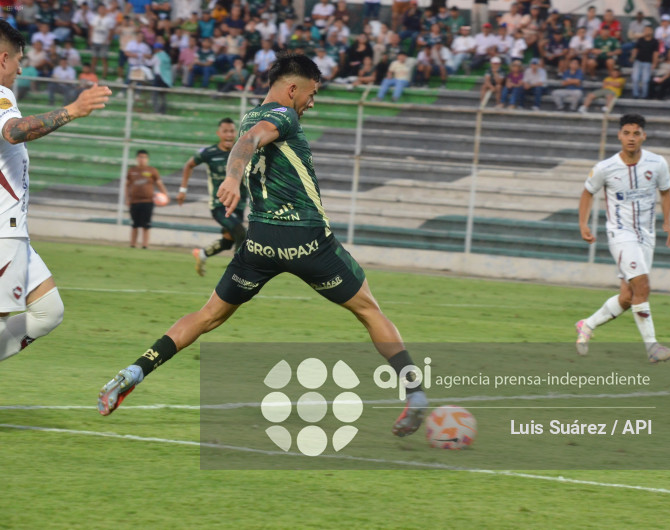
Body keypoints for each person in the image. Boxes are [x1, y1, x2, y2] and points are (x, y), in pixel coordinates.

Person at [98, 54, 429, 439]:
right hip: (306, 239)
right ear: (292, 89)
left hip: (260, 242)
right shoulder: (284, 116)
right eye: (311, 93)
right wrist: (234, 179)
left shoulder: (249, 116)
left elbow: (246, 138)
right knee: (369, 310)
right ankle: (416, 394)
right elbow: (250, 144)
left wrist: (236, 176)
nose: (312, 102)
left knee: (208, 315)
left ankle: (135, 371)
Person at [0, 20, 110, 364]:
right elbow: (14, 132)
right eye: (19, 60)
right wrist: (73, 110)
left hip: (15, 231)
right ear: (3, 59)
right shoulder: (1, 94)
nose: (21, 68)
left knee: (48, 310)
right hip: (4, 232)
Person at [576, 113, 670, 364]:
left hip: (646, 235)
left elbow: (665, 192)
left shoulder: (657, 163)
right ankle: (653, 347)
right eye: (626, 133)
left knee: (628, 296)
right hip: (620, 234)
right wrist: (583, 223)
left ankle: (586, 325)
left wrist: (668, 222)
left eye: (636, 133)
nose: (631, 138)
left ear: (643, 135)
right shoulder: (605, 168)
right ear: (619, 135)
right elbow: (587, 193)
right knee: (643, 286)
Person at [177, 118, 247, 277]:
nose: (229, 135)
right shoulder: (209, 153)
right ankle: (237, 274)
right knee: (240, 232)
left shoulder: (242, 152)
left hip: (238, 204)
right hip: (219, 205)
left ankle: (202, 254)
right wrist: (182, 190)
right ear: (219, 134)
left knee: (228, 240)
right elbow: (189, 165)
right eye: (225, 131)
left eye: (232, 131)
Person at [126, 149, 168, 249]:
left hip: (148, 202)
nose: (142, 159)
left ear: (147, 159)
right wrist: (127, 198)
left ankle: (145, 245)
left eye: (144, 157)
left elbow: (159, 184)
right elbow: (127, 185)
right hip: (134, 201)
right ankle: (133, 244)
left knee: (146, 225)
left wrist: (165, 195)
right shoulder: (132, 171)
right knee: (134, 225)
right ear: (137, 158)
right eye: (140, 157)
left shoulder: (152, 171)